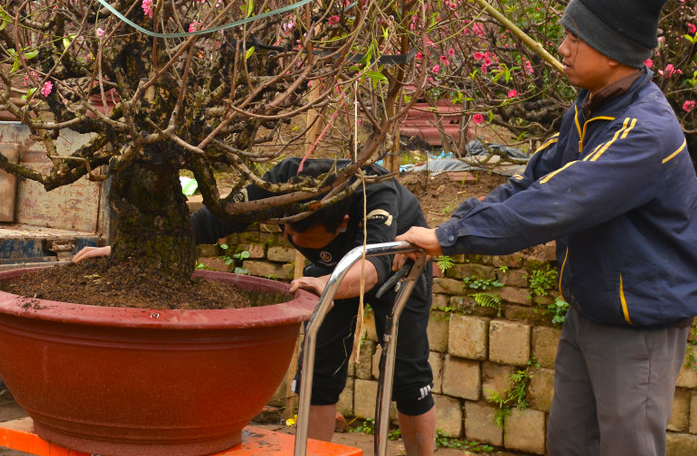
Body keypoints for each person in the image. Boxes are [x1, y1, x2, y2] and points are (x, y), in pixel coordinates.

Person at [397, 0, 697, 456]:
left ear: (612, 51)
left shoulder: (644, 132)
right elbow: (532, 181)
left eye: (575, 37)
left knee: (628, 448)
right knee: (568, 442)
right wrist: (452, 226)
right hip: (591, 309)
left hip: (641, 325)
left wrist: (452, 238)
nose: (562, 48)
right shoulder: (589, 110)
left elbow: (557, 202)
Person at [75, 157, 437, 454]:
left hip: (396, 265)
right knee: (318, 370)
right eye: (286, 230)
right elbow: (216, 219)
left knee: (407, 372)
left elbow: (371, 270)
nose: (291, 240)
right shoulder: (281, 181)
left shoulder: (374, 191)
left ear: (342, 222)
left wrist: (323, 283)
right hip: (330, 270)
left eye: (302, 236)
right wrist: (126, 251)